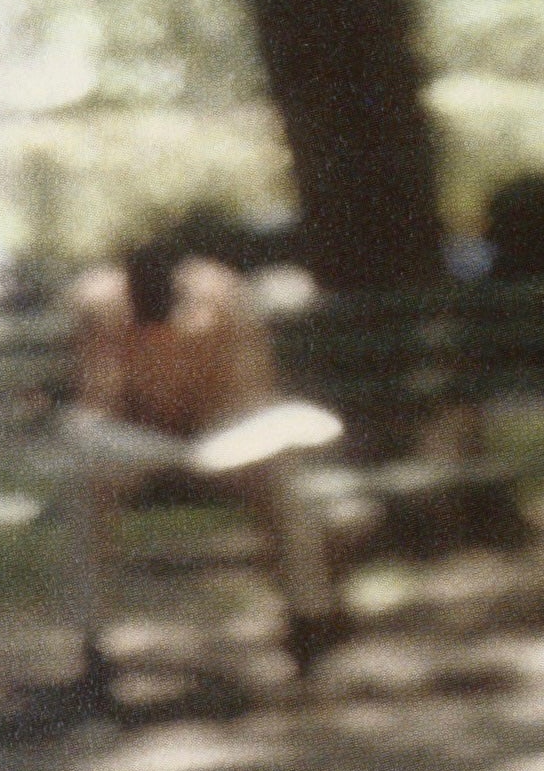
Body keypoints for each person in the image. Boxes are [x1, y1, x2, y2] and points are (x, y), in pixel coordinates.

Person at [61, 247, 345, 682]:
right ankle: (93, 644)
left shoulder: (226, 297)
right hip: (139, 448)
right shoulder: (97, 306)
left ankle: (308, 619)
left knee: (283, 475)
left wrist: (210, 425)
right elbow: (97, 404)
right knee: (86, 480)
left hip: (221, 442)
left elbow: (252, 394)